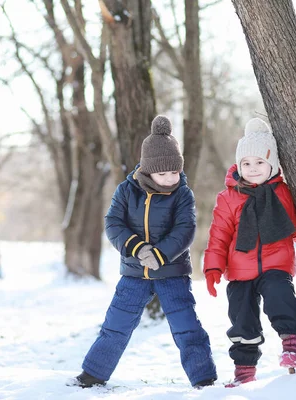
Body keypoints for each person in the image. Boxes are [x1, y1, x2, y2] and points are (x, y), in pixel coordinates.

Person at [69, 115, 217, 389]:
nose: (171, 178)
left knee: (186, 326)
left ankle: (204, 379)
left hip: (171, 271)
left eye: (175, 172)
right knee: (116, 324)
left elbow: (185, 229)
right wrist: (136, 248)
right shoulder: (126, 191)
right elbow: (113, 223)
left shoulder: (182, 193)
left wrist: (160, 254)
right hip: (134, 272)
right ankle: (93, 374)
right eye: (163, 174)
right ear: (148, 170)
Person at [203, 118, 296, 387]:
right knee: (242, 320)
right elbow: (219, 235)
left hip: (276, 265)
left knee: (280, 296)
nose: (252, 169)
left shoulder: (282, 193)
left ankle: (292, 345)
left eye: (260, 163)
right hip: (239, 271)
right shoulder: (228, 198)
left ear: (272, 164)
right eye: (246, 163)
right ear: (239, 165)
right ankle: (244, 371)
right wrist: (213, 267)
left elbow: (295, 225)